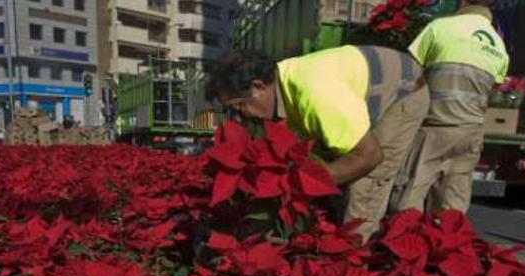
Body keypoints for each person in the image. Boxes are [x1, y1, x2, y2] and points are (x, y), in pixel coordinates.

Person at [209, 45, 429, 241]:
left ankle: (356, 259)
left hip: (404, 89)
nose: (239, 116)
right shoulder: (284, 86)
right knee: (334, 167)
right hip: (367, 86)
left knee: (365, 186)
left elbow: (369, 156)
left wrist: (304, 184)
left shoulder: (315, 94)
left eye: (239, 106)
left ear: (258, 87)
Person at [394, 0, 509, 213]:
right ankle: (444, 246)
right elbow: (493, 89)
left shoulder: (440, 28)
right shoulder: (498, 45)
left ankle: (406, 243)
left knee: (408, 200)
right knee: (451, 209)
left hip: (434, 129)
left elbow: (409, 73)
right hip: (470, 135)